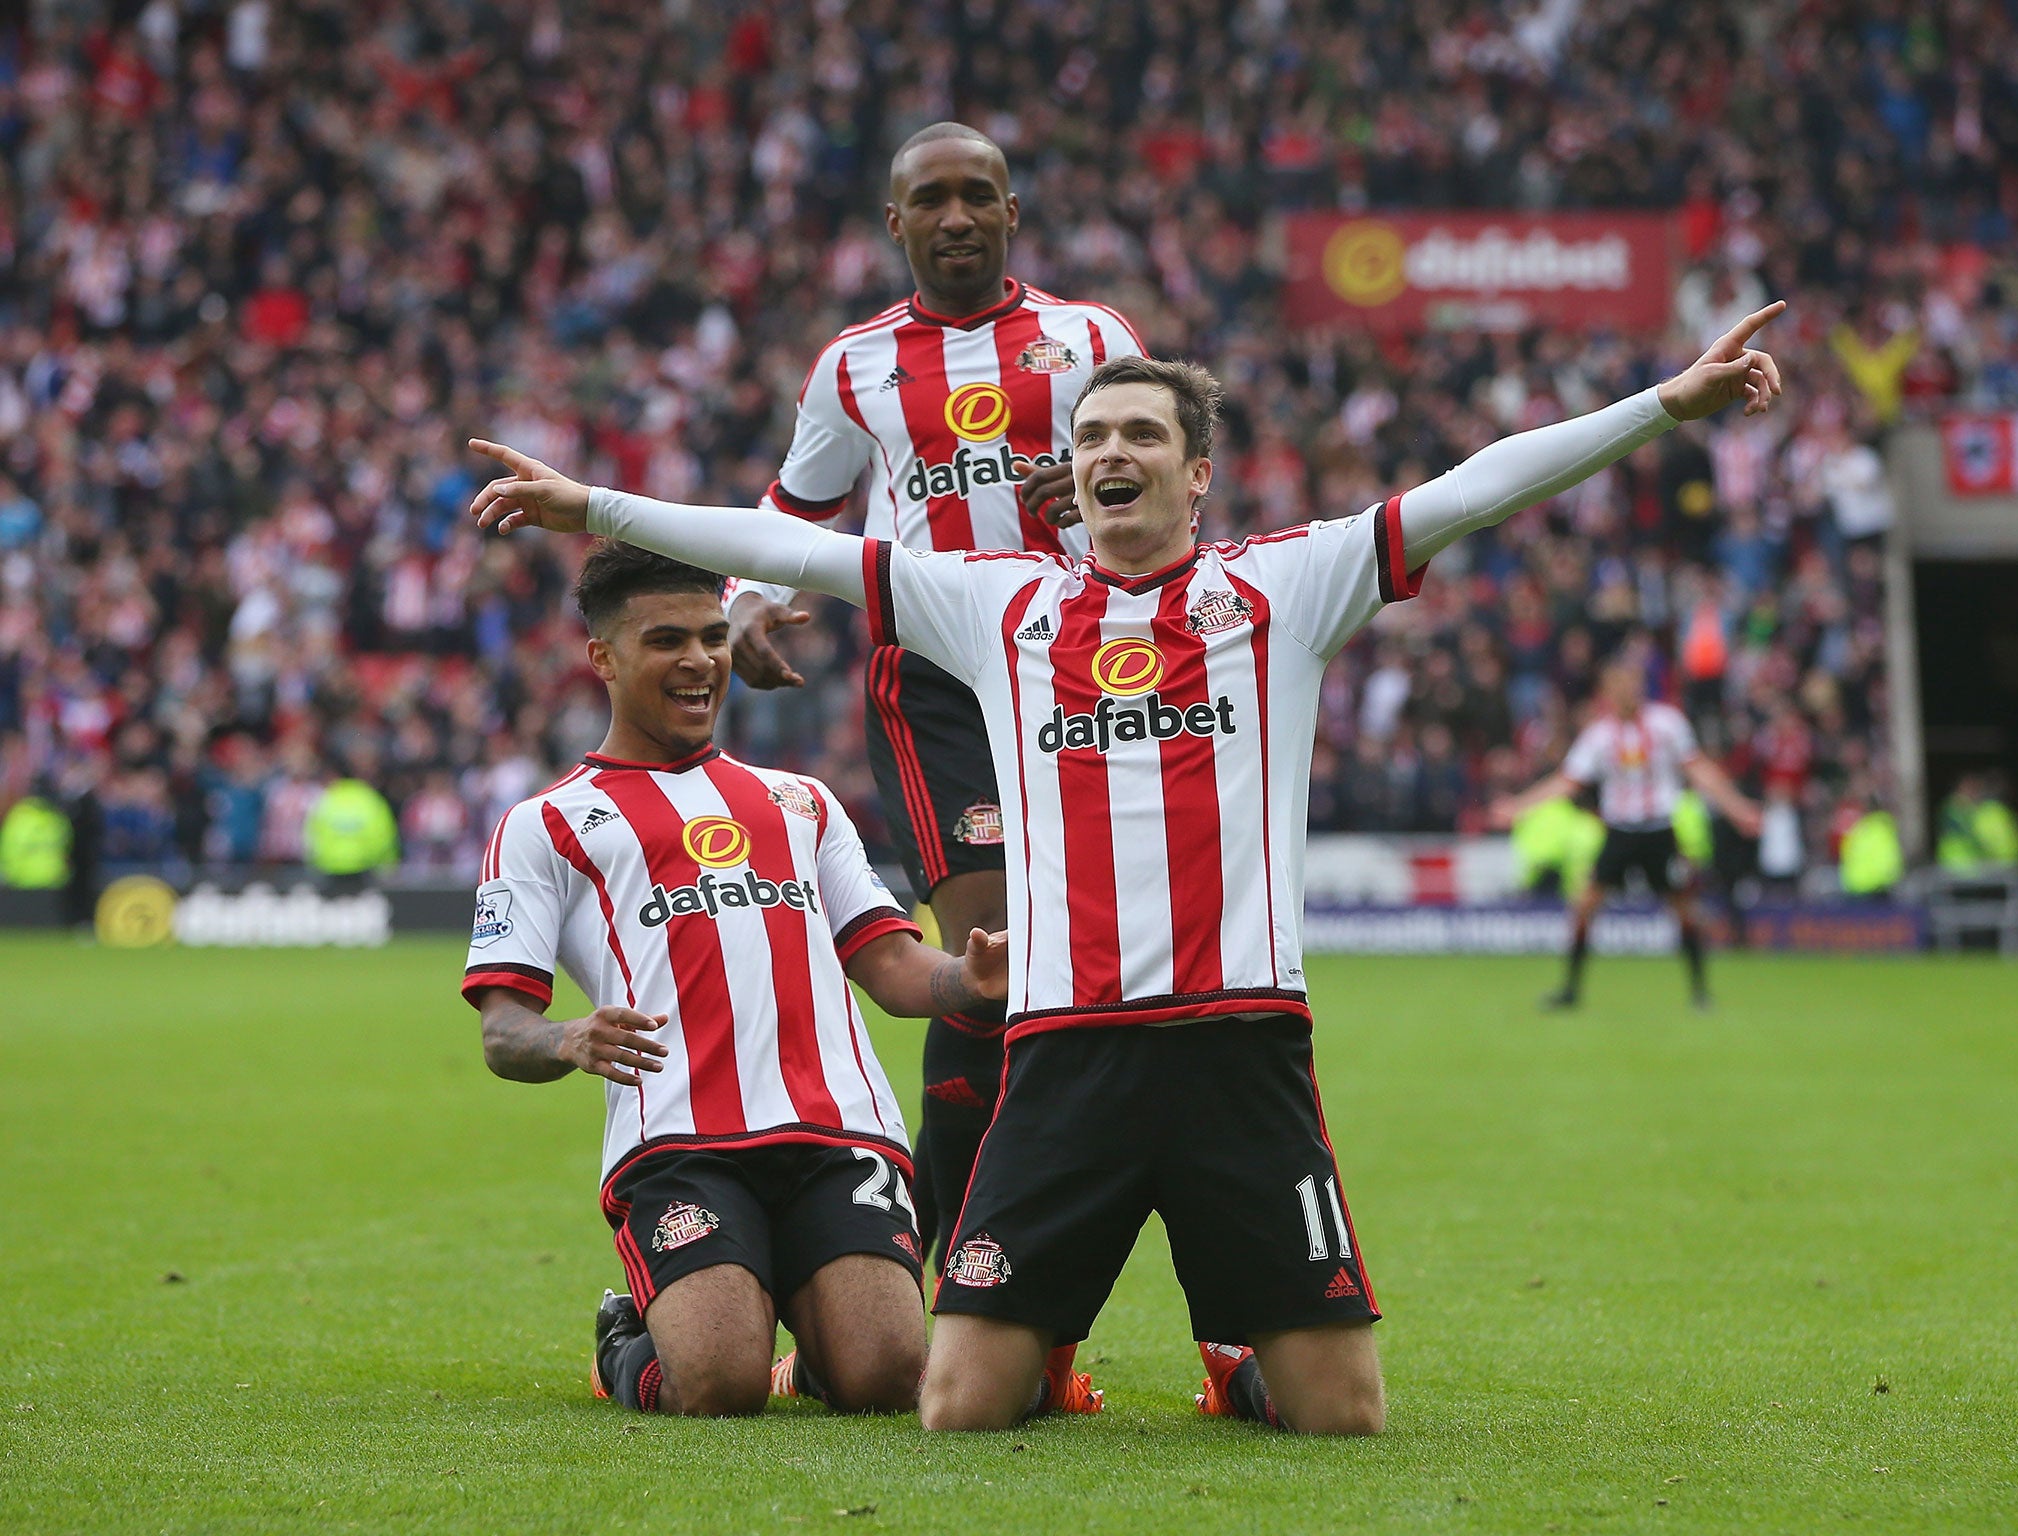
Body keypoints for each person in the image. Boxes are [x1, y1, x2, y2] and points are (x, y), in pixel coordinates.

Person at [468, 303, 1787, 1434]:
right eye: (1093, 436)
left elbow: (1482, 483)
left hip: (1240, 1044)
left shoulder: (1293, 586)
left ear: (1197, 474)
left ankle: (1246, 1359)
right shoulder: (1001, 607)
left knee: (1347, 1416)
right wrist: (591, 506)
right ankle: (1123, 1332)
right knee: (955, 1402)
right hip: (1068, 1052)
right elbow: (795, 549)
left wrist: (1667, 404)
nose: (1112, 452)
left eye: (1142, 435)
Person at [724, 123, 1146, 1311]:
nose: (956, 217)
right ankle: (944, 1272)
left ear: (1012, 214)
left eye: (977, 197)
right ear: (895, 224)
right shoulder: (852, 365)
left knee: (1105, 974)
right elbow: (795, 505)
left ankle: (1004, 1276)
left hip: (1084, 669)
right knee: (995, 967)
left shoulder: (1091, 339)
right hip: (940, 687)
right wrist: (745, 605)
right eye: (932, 200)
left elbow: (1162, 470)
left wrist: (1097, 479)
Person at [464, 542, 1034, 1418]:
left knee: (885, 1378)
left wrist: (967, 978)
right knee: (718, 1387)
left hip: (836, 1131)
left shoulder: (800, 800)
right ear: (604, 659)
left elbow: (889, 966)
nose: (699, 661)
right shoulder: (544, 825)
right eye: (666, 640)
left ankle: (815, 1348)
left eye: (711, 636)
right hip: (681, 1146)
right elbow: (504, 1029)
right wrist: (568, 1038)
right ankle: (630, 1339)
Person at [1488, 659, 1763, 1010]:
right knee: (1585, 906)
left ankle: (1699, 992)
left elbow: (1700, 772)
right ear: (1607, 695)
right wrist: (1518, 806)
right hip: (1619, 832)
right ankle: (1570, 990)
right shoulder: (1599, 736)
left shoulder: (1667, 724)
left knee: (1682, 909)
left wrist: (1738, 809)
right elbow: (1567, 781)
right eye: (1617, 689)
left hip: (1658, 830)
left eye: (1629, 687)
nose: (1624, 695)